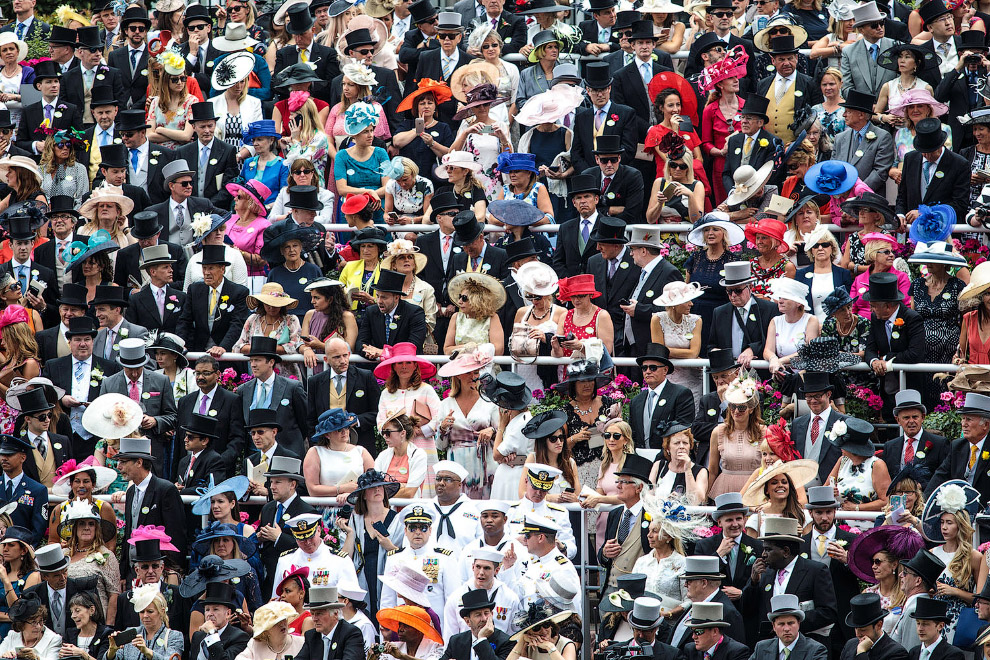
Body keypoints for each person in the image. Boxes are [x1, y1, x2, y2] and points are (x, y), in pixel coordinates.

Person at [863, 272, 928, 422]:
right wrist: (874, 362)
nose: (871, 310)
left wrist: (886, 359)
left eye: (873, 306)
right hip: (887, 387)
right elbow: (870, 348)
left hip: (910, 385)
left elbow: (915, 353)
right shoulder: (876, 318)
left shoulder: (912, 318)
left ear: (887, 305)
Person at [629, 343, 694, 449]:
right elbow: (633, 433)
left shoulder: (681, 394)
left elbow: (683, 429)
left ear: (665, 370)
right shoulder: (636, 400)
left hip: (669, 458)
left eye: (653, 368)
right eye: (644, 368)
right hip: (641, 459)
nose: (648, 371)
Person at [707, 378, 764, 500]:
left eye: (742, 408)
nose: (736, 411)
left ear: (751, 409)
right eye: (732, 406)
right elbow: (712, 470)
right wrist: (706, 498)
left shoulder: (764, 432)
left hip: (754, 490)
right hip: (724, 488)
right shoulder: (718, 431)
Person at [652, 281, 703, 404]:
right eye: (686, 301)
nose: (691, 304)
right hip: (666, 377)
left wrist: (667, 350)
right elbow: (658, 352)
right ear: (674, 304)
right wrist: (664, 351)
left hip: (692, 379)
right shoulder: (657, 319)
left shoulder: (696, 320)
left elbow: (694, 353)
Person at [292, 586, 365, 660]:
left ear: (335, 614)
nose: (314, 619)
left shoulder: (351, 634)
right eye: (312, 614)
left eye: (319, 614)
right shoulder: (311, 636)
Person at [838, 593, 909, 660]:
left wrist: (861, 653)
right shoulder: (850, 645)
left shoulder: (896, 653)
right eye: (856, 629)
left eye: (863, 630)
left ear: (879, 625)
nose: (857, 634)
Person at [681, 602, 750, 660]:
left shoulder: (736, 652)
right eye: (692, 631)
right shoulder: (690, 650)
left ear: (715, 631)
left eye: (698, 632)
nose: (694, 636)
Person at [0, 594, 60, 660]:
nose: (38, 626)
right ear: (22, 624)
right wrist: (4, 656)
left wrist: (36, 658)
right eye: (33, 622)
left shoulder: (54, 639)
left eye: (40, 621)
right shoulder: (12, 635)